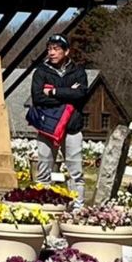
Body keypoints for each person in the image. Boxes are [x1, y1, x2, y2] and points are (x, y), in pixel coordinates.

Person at [26, 35, 90, 197]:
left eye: (56, 49)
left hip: (71, 127)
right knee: (43, 172)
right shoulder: (41, 72)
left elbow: (81, 94)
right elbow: (38, 97)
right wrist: (69, 94)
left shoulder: (78, 71)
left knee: (76, 172)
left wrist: (53, 91)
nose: (52, 53)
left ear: (66, 51)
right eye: (49, 49)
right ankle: (43, 207)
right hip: (48, 126)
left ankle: (77, 208)